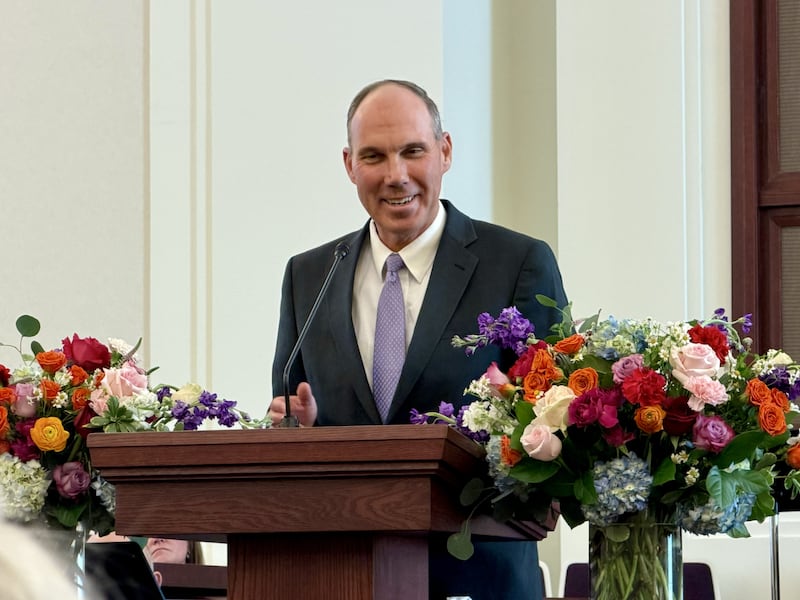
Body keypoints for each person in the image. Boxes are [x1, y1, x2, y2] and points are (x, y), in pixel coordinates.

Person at [269, 79, 569, 600]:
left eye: (413, 151)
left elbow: (560, 423)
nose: (395, 176)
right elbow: (290, 407)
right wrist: (299, 432)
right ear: (349, 165)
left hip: (480, 576)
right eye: (374, 156)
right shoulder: (309, 276)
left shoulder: (518, 263)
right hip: (341, 574)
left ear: (444, 151)